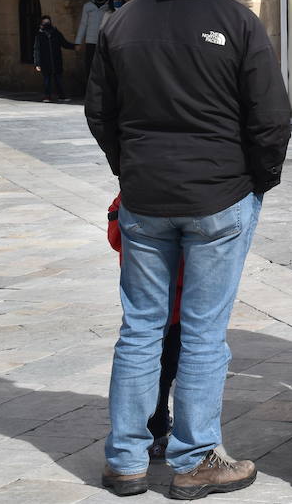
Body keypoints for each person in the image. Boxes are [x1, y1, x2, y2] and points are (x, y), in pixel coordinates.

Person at [87, 0, 291, 498]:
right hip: (218, 198)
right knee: (202, 332)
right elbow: (270, 119)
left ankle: (125, 459)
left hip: (146, 198)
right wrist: (256, 182)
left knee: (140, 329)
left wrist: (131, 169)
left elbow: (100, 112)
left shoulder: (122, 21)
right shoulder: (237, 21)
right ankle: (194, 458)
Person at [106, 194, 181, 462]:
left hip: (148, 299)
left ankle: (134, 446)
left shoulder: (132, 190)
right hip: (185, 305)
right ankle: (183, 438)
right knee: (177, 364)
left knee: (144, 354)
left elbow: (116, 238)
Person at [75, 0, 113, 90]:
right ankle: (90, 88)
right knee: (90, 65)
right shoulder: (87, 6)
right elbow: (83, 24)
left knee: (104, 65)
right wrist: (78, 41)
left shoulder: (108, 6)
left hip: (104, 40)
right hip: (90, 41)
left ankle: (104, 88)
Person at [32, 15, 75, 102]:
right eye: (45, 22)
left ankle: (61, 96)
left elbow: (64, 43)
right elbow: (37, 50)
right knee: (47, 81)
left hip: (56, 61)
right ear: (41, 23)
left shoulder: (56, 33)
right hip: (45, 62)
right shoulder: (39, 35)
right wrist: (37, 63)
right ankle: (47, 96)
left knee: (58, 80)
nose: (47, 24)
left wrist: (74, 46)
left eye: (48, 22)